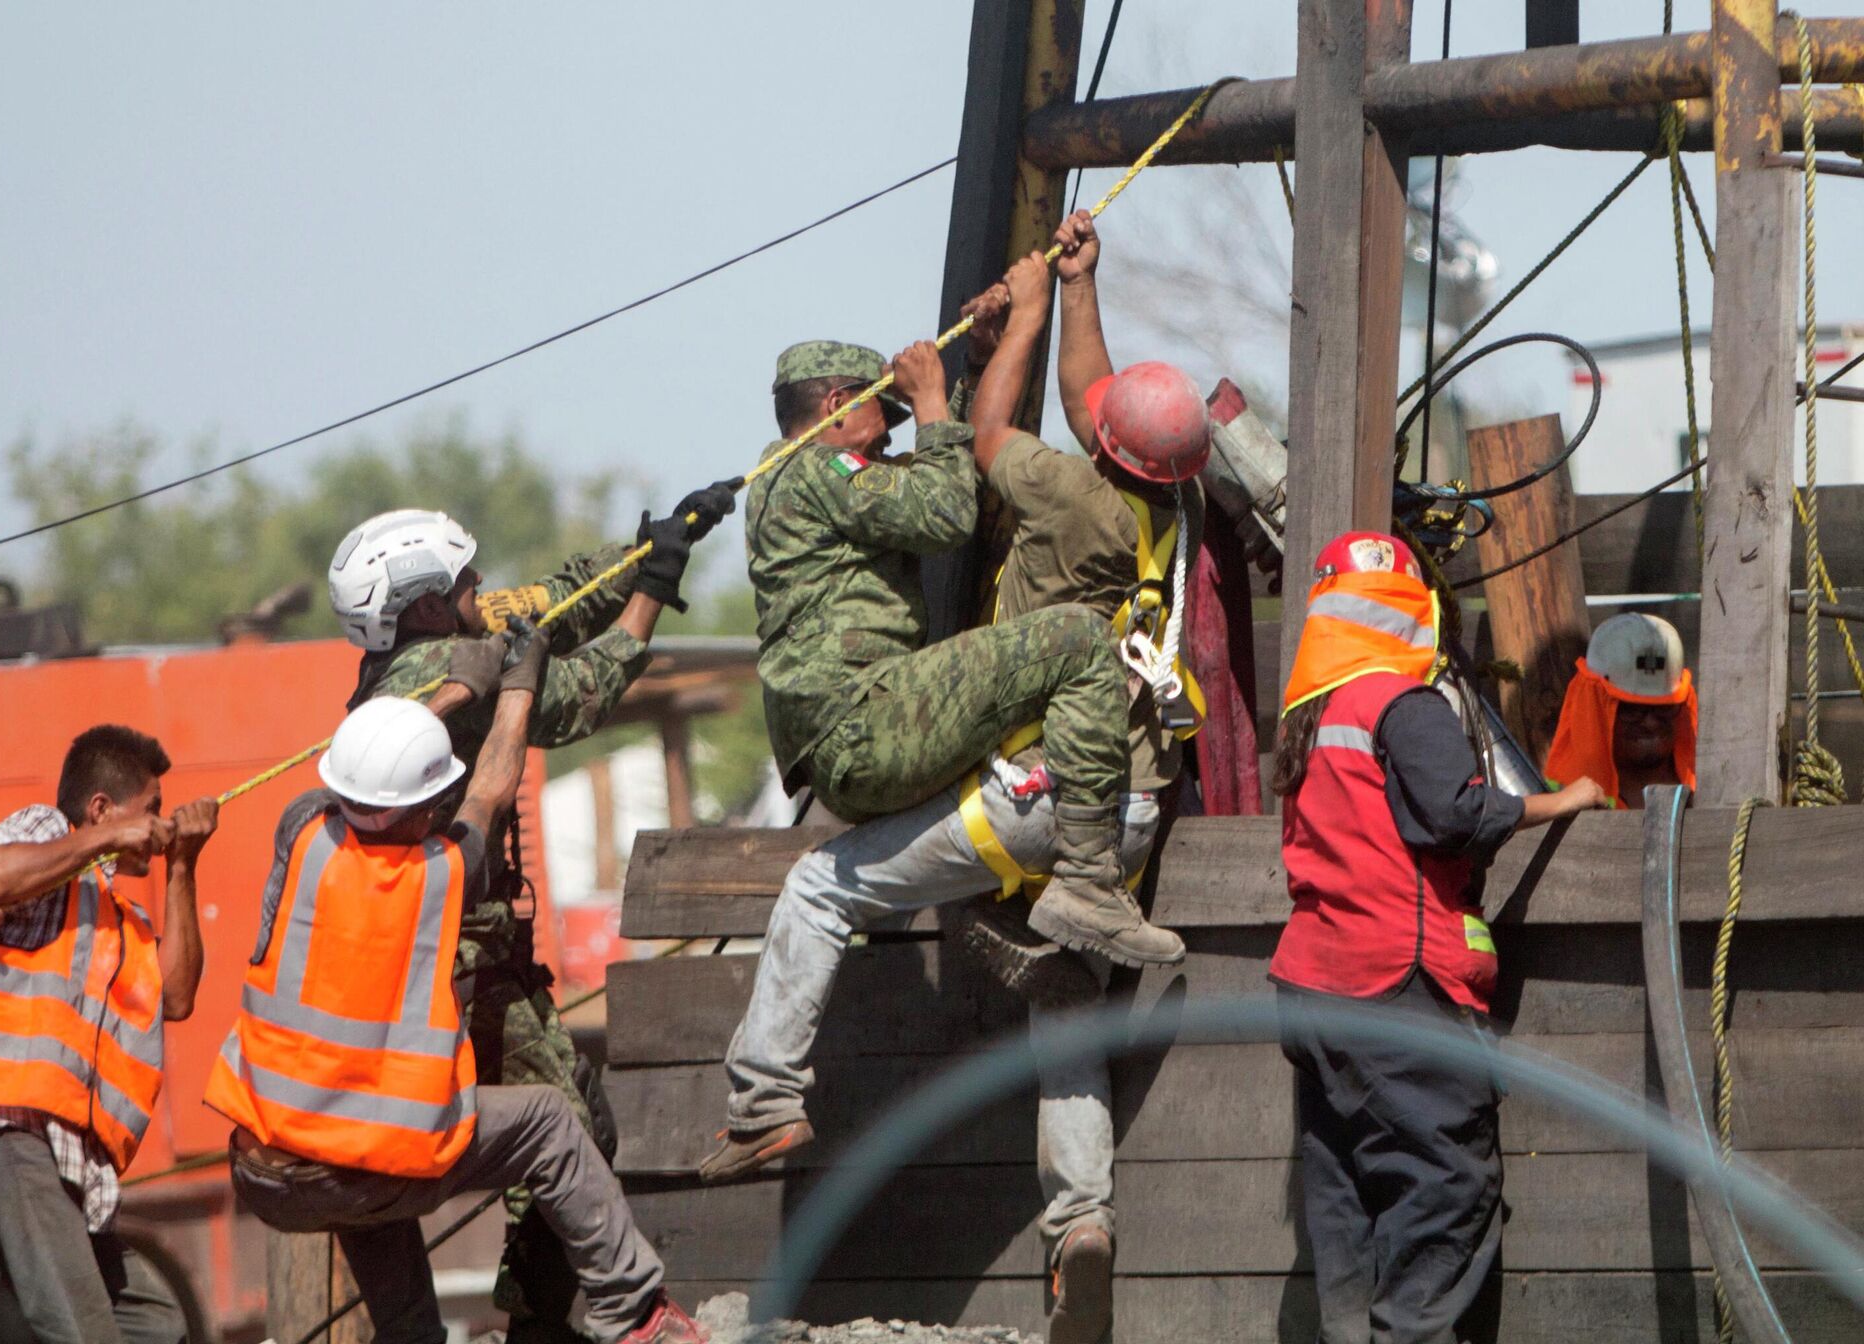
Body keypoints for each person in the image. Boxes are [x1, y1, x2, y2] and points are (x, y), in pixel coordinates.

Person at [706, 223, 1209, 1343]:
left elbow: (976, 450)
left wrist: (1011, 328)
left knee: (826, 887)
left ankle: (762, 1096)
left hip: (1033, 801)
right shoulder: (1169, 508)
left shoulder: (1059, 493)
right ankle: (1081, 1222)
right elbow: (1094, 395)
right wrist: (1078, 290)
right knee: (1065, 1004)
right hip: (1129, 804)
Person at [207, 632, 705, 1344]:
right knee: (548, 1124)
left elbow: (367, 780)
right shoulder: (440, 874)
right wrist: (516, 688)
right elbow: (491, 789)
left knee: (367, 1153)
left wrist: (446, 696)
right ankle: (641, 1316)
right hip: (350, 1159)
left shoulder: (302, 834)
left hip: (266, 1163)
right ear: (421, 812)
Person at [327, 488, 733, 1336]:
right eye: (467, 577)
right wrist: (656, 585)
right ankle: (540, 1325)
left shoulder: (440, 639)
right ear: (431, 604)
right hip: (460, 971)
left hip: (479, 961)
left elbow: (551, 602)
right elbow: (579, 691)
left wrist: (648, 545)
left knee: (577, 1131)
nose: (485, 584)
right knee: (569, 1139)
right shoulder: (431, 679)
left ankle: (536, 1315)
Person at [744, 334, 1180, 972]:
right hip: (868, 715)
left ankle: (1017, 920)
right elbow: (946, 511)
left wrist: (975, 364)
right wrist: (925, 400)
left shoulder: (825, 478)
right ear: (838, 405)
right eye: (880, 418)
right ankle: (1087, 884)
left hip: (866, 721)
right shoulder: (811, 468)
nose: (888, 438)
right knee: (1081, 638)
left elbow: (935, 472)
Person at [1267, 533, 1606, 1344]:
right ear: (1411, 610)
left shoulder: (1308, 713)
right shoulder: (1400, 703)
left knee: (1343, 1187)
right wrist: (1563, 802)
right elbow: (1452, 813)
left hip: (1312, 987)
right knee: (1449, 1183)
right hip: (1397, 982)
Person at [0, 726, 221, 1344]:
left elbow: (175, 995)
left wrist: (183, 865)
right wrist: (105, 838)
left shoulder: (127, 923)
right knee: (84, 1333)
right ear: (100, 808)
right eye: (150, 807)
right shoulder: (49, 837)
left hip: (69, 1167)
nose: (159, 823)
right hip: (6, 1136)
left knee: (158, 1324)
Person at [1543, 611, 1697, 809]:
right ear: (1595, 706)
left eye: (1663, 708)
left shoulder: (1716, 788)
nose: (1650, 723)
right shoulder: (1558, 800)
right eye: (1631, 709)